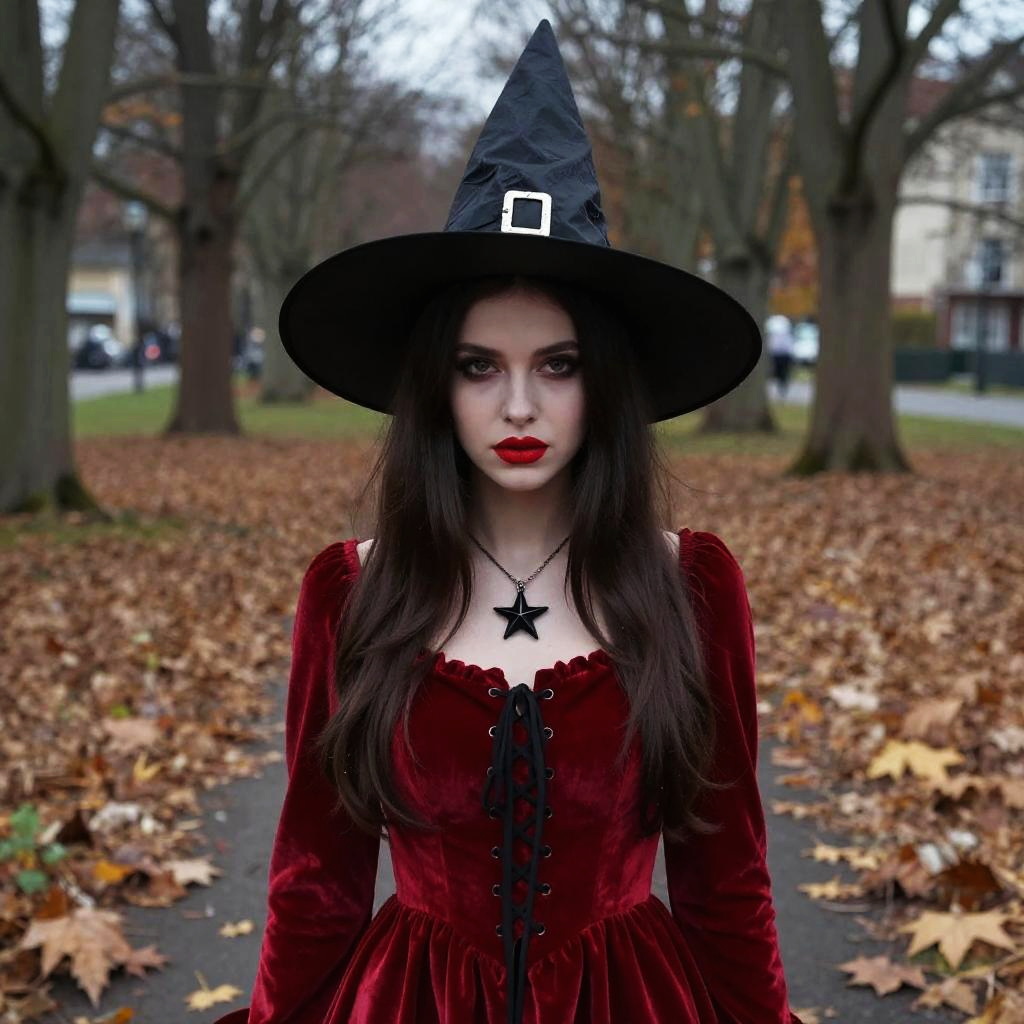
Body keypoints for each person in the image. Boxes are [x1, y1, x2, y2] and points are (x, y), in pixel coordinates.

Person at [214, 20, 802, 1024]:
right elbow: (317, 872)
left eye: (558, 366)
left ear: (604, 385)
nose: (518, 407)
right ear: (434, 385)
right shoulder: (351, 590)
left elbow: (725, 874)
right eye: (479, 366)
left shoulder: (691, 585)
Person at [765, 313, 795, 400]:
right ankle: (781, 389)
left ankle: (782, 389)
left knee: (783, 374)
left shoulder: (784, 333)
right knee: (779, 373)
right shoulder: (780, 332)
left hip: (783, 355)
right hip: (778, 355)